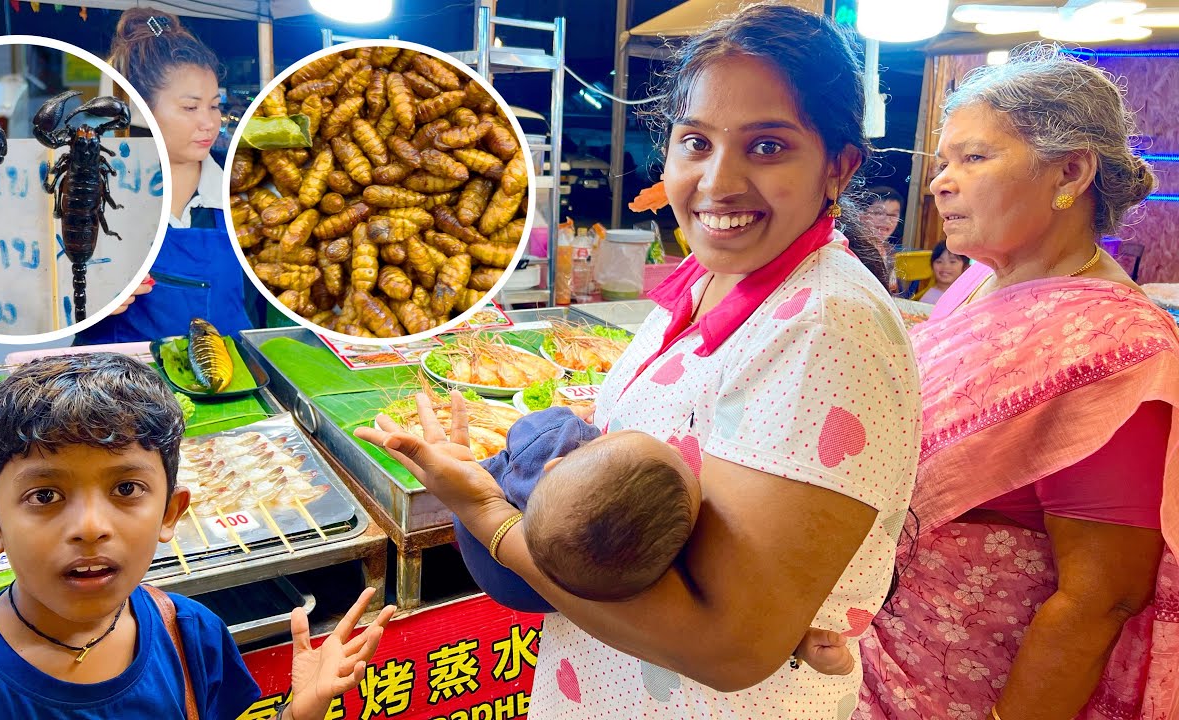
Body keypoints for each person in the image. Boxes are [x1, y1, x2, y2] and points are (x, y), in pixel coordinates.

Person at [358, 5, 921, 717]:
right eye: (696, 142)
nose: (719, 181)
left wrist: (490, 516)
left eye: (768, 146)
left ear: (838, 167)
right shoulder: (712, 277)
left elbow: (731, 646)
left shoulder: (824, 328)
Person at [858, 46, 1179, 720]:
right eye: (944, 163)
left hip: (973, 687)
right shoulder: (979, 284)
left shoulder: (1119, 351)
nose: (941, 183)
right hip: (880, 649)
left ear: (1071, 170)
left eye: (974, 159)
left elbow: (1101, 598)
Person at [0, 354, 396, 719]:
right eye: (45, 496)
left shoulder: (191, 634)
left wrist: (298, 712)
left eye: (126, 488)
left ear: (169, 513)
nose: (91, 526)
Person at [445, 403, 856, 675]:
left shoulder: (548, 471)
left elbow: (538, 433)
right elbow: (724, 613)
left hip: (502, 575)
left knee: (547, 428)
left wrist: (572, 436)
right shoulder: (645, 567)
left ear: (552, 468)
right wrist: (795, 639)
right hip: (530, 577)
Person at [77, 8, 253, 344]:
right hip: (116, 387)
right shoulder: (91, 194)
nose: (209, 122)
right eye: (190, 108)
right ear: (138, 109)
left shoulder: (240, 193)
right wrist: (84, 302)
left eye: (214, 105)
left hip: (231, 382)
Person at [860, 186, 904, 294]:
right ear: (861, 215)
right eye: (878, 213)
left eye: (893, 215)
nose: (887, 220)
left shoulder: (889, 251)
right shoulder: (852, 249)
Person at [916, 240, 969, 304]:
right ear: (932, 266)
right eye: (939, 261)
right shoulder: (929, 299)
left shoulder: (969, 295)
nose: (945, 266)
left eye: (952, 261)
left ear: (966, 267)